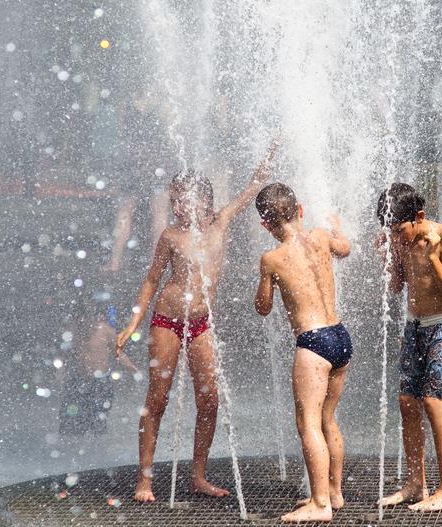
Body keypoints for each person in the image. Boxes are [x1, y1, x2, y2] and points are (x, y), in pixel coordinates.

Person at [116, 141, 278, 502]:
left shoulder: (220, 223)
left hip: (201, 323)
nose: (176, 206)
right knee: (158, 398)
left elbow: (251, 189)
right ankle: (145, 479)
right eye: (174, 200)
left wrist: (265, 162)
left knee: (210, 400)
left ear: (204, 201)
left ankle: (199, 476)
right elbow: (151, 280)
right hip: (166, 321)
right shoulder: (171, 236)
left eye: (181, 199)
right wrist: (133, 322)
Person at [253, 183, 352, 523]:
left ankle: (320, 504)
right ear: (301, 210)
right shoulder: (322, 237)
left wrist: (266, 278)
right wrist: (337, 225)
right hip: (340, 336)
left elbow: (263, 308)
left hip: (313, 343)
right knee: (327, 419)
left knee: (308, 423)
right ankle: (334, 493)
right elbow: (346, 248)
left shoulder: (272, 258)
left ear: (265, 225)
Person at [375, 183, 442, 512]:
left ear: (419, 217)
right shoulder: (399, 242)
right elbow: (396, 288)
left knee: (432, 400)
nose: (398, 237)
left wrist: (432, 259)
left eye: (400, 230)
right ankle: (415, 484)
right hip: (414, 328)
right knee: (406, 401)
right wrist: (388, 259)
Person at [59, 304, 138, 436]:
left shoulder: (106, 330)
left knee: (99, 419)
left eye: (90, 319)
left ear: (96, 318)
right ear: (77, 319)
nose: (86, 323)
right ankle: (72, 446)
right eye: (81, 320)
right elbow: (65, 354)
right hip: (78, 380)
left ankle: (96, 446)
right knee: (71, 420)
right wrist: (60, 372)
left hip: (101, 381)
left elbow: (118, 352)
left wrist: (131, 367)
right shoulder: (72, 332)